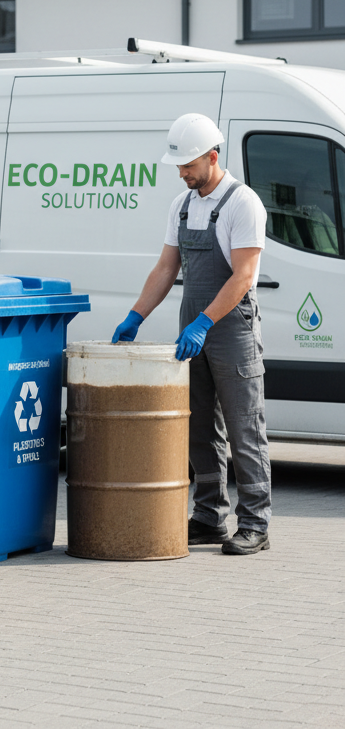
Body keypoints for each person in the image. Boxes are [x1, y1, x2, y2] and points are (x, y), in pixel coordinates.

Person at [112, 113, 272, 556]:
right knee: (199, 427)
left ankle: (256, 522)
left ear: (212, 157)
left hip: (231, 329)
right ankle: (208, 517)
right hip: (193, 329)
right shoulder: (181, 205)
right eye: (178, 166)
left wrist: (204, 322)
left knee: (244, 428)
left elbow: (242, 276)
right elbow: (167, 267)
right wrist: (136, 314)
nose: (181, 173)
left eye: (187, 166)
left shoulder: (244, 203)